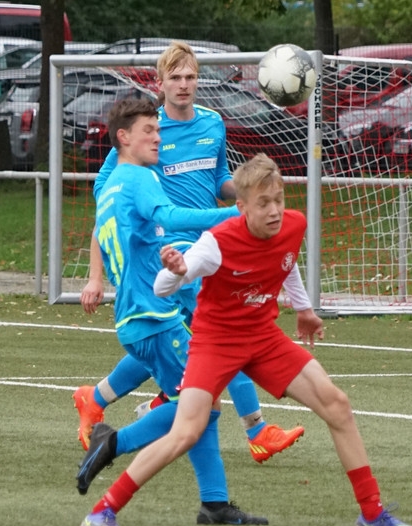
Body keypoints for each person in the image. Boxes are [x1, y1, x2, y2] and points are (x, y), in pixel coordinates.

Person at [80, 152, 412, 526]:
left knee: (337, 405)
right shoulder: (216, 243)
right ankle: (102, 512)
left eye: (278, 199)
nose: (275, 210)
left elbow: (286, 260)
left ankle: (372, 514)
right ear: (242, 208)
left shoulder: (293, 224)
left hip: (263, 336)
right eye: (263, 203)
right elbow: (162, 287)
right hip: (216, 342)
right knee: (186, 431)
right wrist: (176, 272)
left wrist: (304, 309)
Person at [75, 41, 304, 463]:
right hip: (170, 250)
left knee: (180, 338)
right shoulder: (147, 132)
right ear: (160, 83)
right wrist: (98, 269)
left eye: (190, 77)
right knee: (226, 329)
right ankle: (256, 429)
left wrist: (251, 191)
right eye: (175, 77)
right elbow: (107, 191)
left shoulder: (213, 123)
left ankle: (99, 397)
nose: (183, 84)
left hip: (209, 244)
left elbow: (219, 180)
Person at [74, 99, 265, 526]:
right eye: (148, 130)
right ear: (124, 138)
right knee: (197, 406)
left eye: (158, 130)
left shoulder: (112, 186)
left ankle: (214, 503)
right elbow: (170, 216)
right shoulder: (139, 178)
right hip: (153, 316)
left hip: (135, 316)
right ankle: (114, 442)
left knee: (204, 405)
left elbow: (133, 235)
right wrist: (233, 214)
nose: (158, 137)